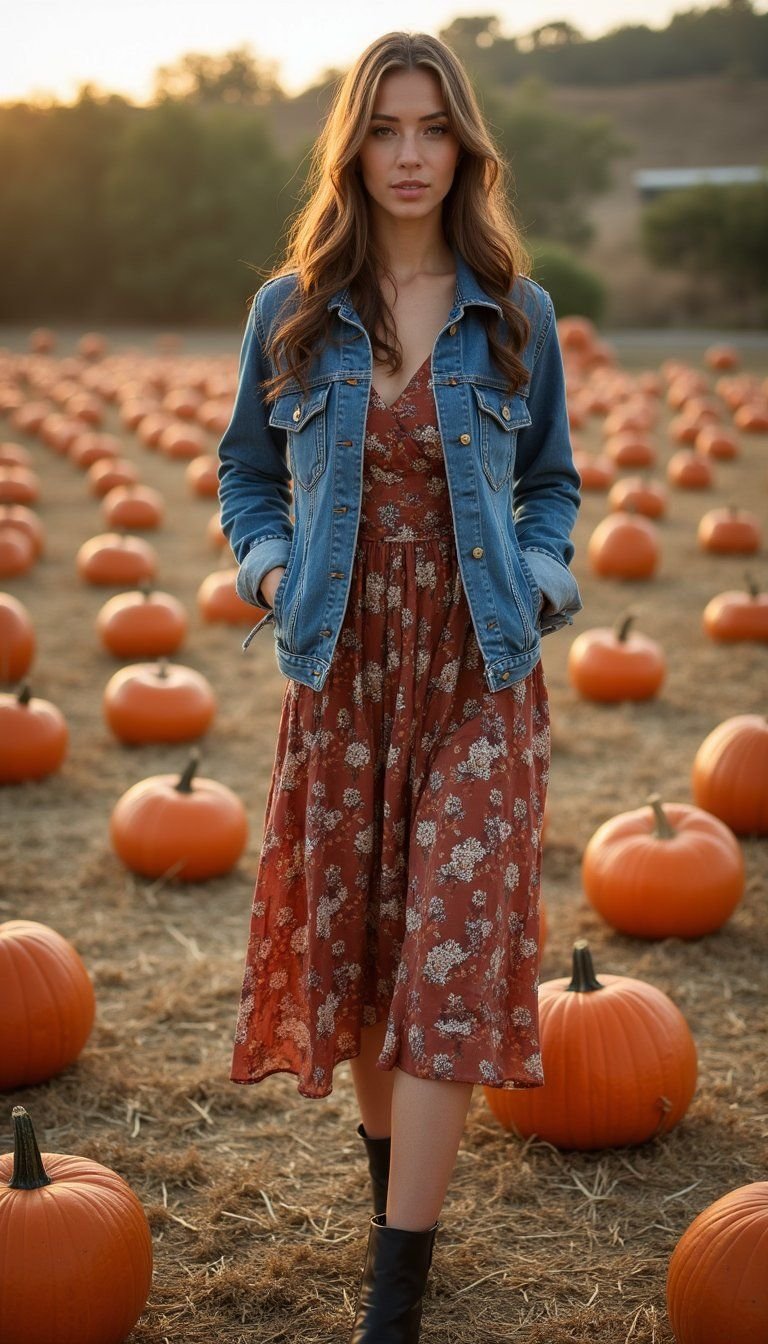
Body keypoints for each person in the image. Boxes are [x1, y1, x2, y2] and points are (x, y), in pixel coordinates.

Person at [217, 29, 583, 1344]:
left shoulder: (515, 314)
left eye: (434, 128)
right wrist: (267, 571)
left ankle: (394, 1304)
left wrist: (542, 582)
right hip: (344, 669)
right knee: (372, 966)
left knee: (445, 958)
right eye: (387, 128)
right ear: (354, 146)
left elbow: (554, 485)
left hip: (480, 669)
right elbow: (247, 475)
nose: (412, 154)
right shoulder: (292, 310)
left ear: (464, 145)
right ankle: (397, 1210)